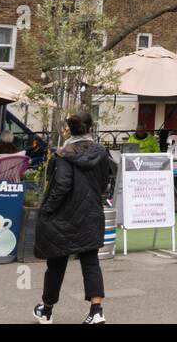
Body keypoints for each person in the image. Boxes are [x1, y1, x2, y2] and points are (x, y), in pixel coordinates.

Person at [32, 111, 115, 325]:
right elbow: (105, 183)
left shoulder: (64, 154)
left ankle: (47, 310)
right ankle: (96, 311)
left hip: (64, 217)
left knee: (56, 263)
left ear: (70, 130)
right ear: (91, 128)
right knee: (90, 262)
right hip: (91, 213)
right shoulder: (101, 153)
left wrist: (47, 210)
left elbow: (61, 186)